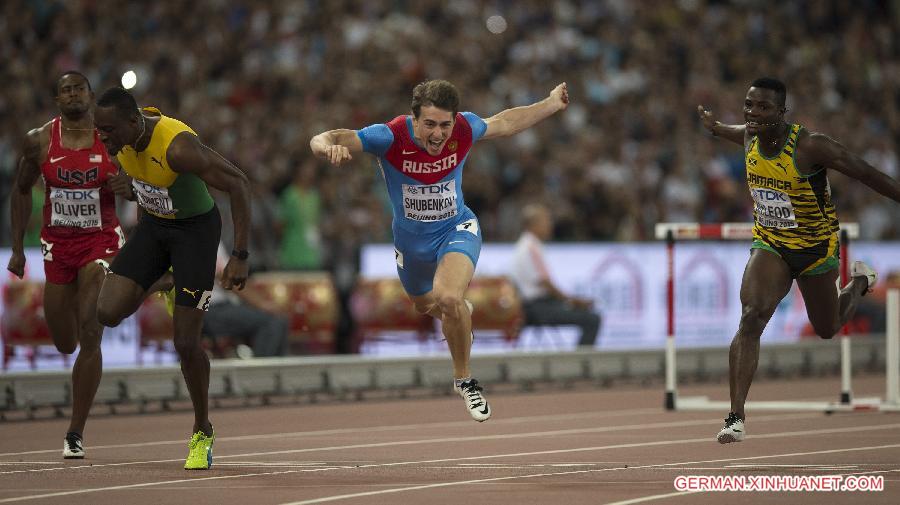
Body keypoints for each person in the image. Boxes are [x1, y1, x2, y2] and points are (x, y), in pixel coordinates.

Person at [311, 79, 569, 422]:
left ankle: (464, 380)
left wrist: (550, 103)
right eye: (429, 124)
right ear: (414, 119)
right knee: (425, 305)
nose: (438, 134)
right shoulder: (388, 136)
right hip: (410, 242)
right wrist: (327, 148)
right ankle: (460, 320)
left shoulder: (465, 128)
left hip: (456, 228)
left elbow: (506, 122)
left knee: (448, 298)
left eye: (445, 124)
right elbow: (325, 137)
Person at [698, 77, 900, 444]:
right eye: (749, 105)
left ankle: (859, 283)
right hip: (771, 243)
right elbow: (736, 130)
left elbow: (865, 172)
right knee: (751, 316)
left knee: (827, 328)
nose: (753, 114)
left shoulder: (810, 146)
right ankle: (735, 415)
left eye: (763, 108)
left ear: (781, 112)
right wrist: (715, 128)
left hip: (815, 249)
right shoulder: (749, 135)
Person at [92, 86, 251, 469]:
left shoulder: (178, 147)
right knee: (107, 311)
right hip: (156, 230)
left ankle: (202, 430)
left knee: (185, 342)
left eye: (109, 131)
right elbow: (151, 187)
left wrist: (240, 256)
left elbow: (239, 184)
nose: (103, 138)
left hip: (195, 234)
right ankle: (167, 280)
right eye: (99, 130)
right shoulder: (123, 140)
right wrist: (131, 190)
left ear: (133, 122)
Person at [7, 71, 128, 460]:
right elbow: (21, 190)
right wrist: (17, 248)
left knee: (91, 330)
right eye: (65, 89)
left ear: (91, 96)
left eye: (79, 88)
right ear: (57, 100)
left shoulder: (112, 141)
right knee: (65, 342)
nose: (73, 94)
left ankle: (75, 431)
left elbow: (147, 185)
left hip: (101, 242)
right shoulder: (39, 141)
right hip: (57, 248)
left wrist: (131, 189)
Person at [511, 203, 600, 347]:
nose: (550, 224)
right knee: (592, 319)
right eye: (546, 220)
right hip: (536, 307)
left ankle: (579, 361)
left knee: (590, 317)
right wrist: (571, 300)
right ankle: (580, 363)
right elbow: (546, 284)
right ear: (533, 224)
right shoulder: (530, 247)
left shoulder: (528, 245)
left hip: (537, 304)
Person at [203, 242, 289, 358]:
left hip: (221, 305)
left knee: (280, 320)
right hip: (207, 306)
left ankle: (275, 372)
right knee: (271, 323)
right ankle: (258, 373)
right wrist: (262, 304)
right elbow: (225, 277)